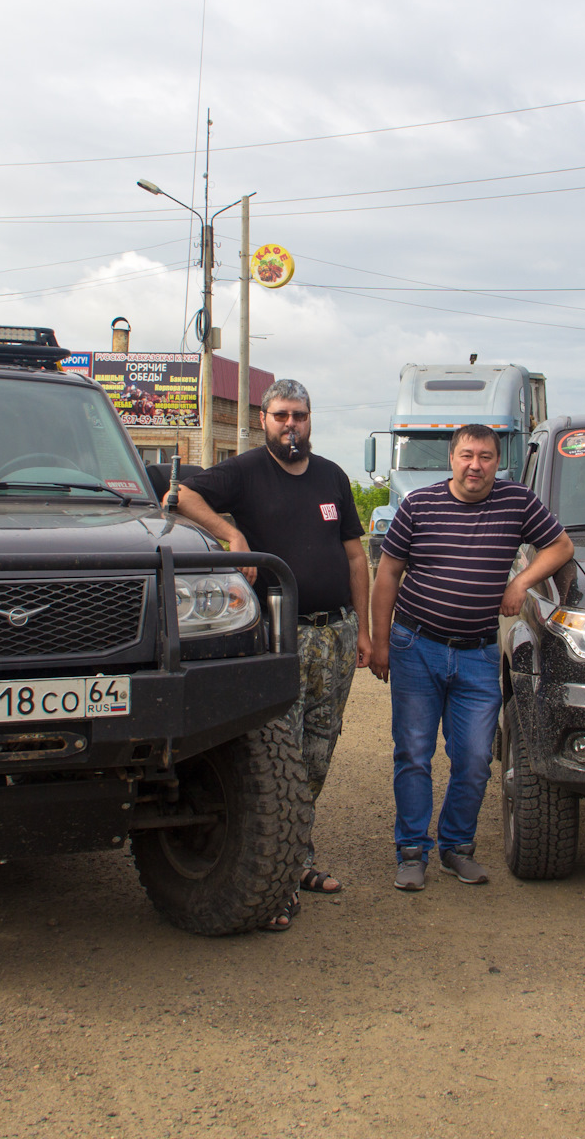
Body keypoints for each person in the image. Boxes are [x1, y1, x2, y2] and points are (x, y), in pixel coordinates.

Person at [173, 379, 370, 929]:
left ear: (311, 420)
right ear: (265, 419)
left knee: (317, 754)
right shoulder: (244, 471)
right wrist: (231, 536)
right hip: (280, 638)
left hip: (334, 636)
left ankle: (297, 861)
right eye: (282, 415)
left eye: (300, 416)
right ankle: (272, 880)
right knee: (275, 758)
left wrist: (365, 631)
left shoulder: (332, 476)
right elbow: (182, 495)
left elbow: (355, 556)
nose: (291, 425)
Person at [369, 424, 574, 891]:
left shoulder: (517, 502)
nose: (475, 465)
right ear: (452, 458)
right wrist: (380, 643)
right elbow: (388, 575)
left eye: (485, 457)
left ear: (497, 462)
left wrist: (520, 583)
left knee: (477, 757)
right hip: (415, 647)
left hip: (479, 653)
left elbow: (561, 546)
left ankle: (457, 849)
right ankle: (411, 851)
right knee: (414, 753)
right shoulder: (418, 505)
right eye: (466, 455)